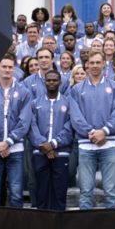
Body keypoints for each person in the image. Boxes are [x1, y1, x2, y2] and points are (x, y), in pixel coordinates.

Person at [68, 51, 115, 209]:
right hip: (86, 144)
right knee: (85, 192)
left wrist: (104, 131)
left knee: (111, 192)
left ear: (103, 64)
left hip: (109, 144)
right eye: (91, 63)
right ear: (86, 65)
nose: (94, 66)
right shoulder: (77, 89)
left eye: (97, 62)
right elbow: (76, 117)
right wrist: (91, 133)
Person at [0, 53, 32, 208]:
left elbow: (24, 122)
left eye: (10, 67)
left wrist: (8, 142)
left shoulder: (24, 92)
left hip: (15, 149)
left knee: (16, 193)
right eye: (4, 66)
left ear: (15, 69)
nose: (7, 70)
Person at [29, 70, 73, 211]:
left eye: (55, 80)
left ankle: (59, 226)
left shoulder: (68, 102)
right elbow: (32, 126)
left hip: (60, 153)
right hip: (40, 153)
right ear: (44, 82)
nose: (52, 83)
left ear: (60, 82)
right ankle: (41, 227)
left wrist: (53, 144)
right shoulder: (35, 103)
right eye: (49, 80)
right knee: (41, 192)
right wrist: (44, 145)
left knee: (59, 193)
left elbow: (70, 127)